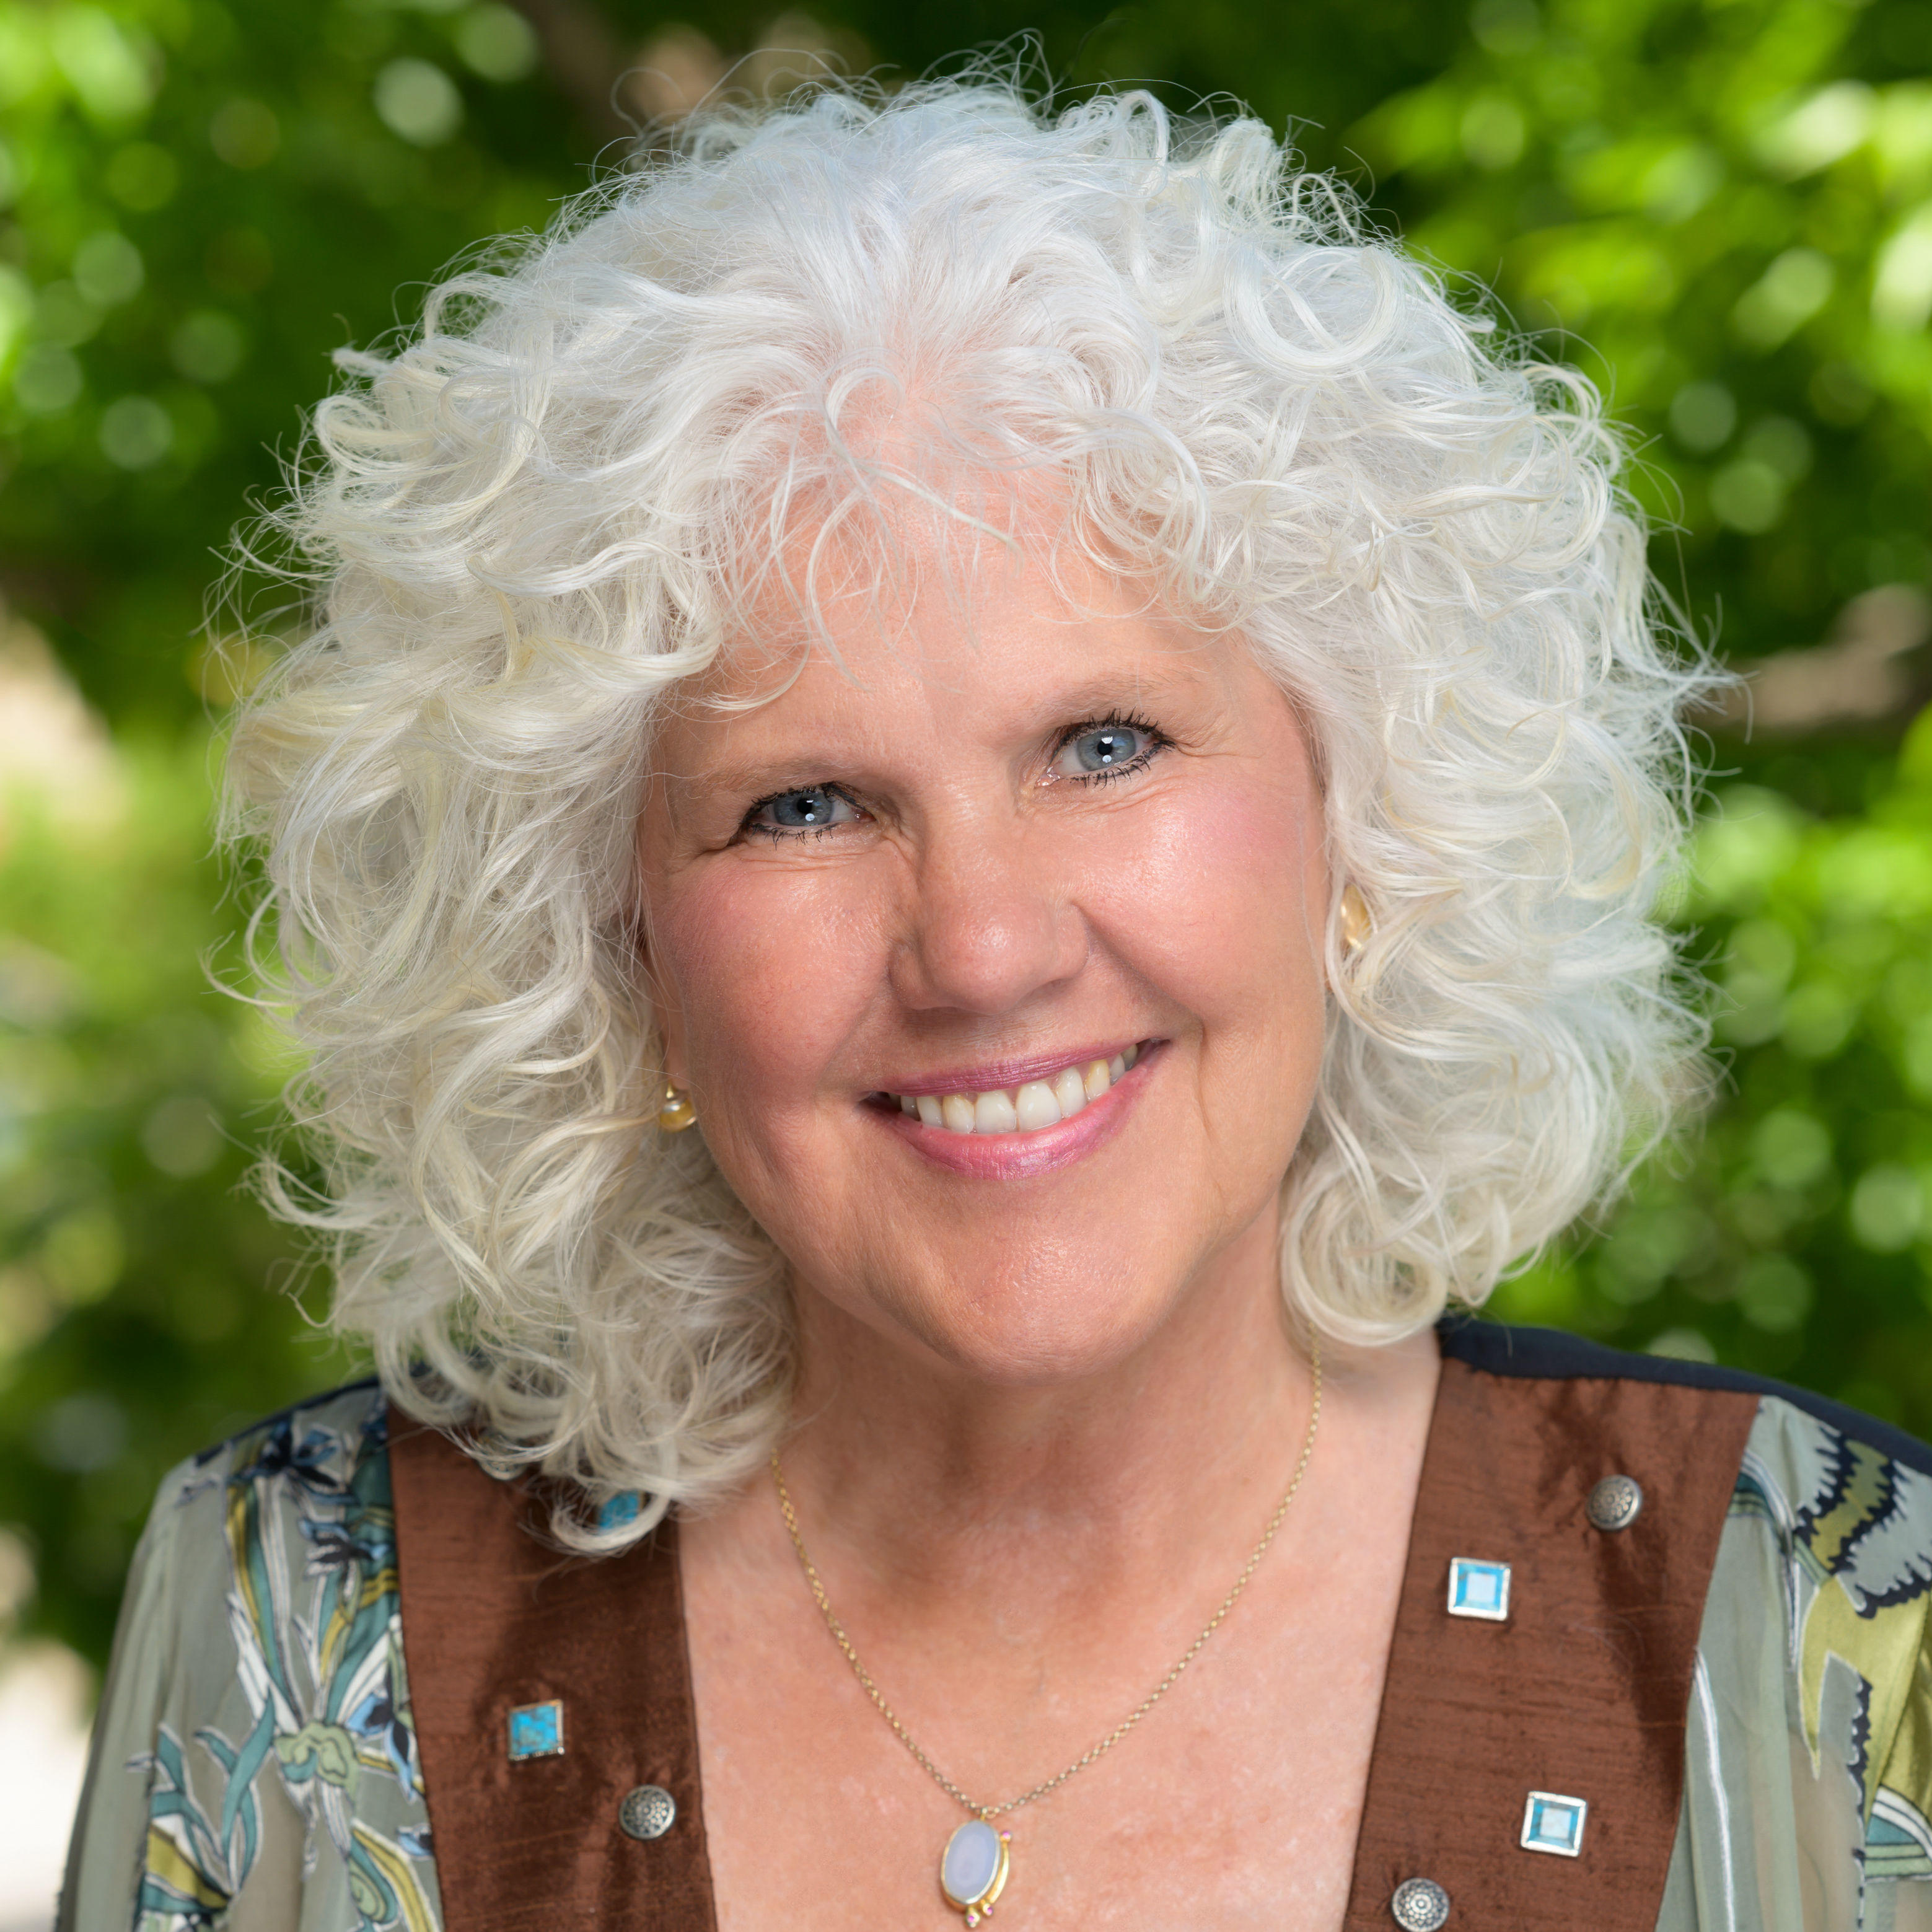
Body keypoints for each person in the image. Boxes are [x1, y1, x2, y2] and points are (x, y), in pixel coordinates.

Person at [56, 74, 1932, 1932]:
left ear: (1367, 820)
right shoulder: (302, 1619)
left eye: (1101, 746)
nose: (980, 947)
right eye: (801, 805)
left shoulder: (1834, 1625)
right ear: (607, 946)